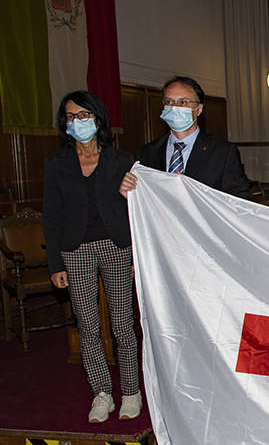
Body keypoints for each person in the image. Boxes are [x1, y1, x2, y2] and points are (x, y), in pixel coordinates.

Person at [43, 91, 139, 423]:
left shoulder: (122, 160)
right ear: (64, 124)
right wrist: (55, 264)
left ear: (98, 119)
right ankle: (102, 393)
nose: (78, 122)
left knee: (122, 323)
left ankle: (130, 391)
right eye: (71, 117)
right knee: (87, 324)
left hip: (116, 246)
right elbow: (51, 215)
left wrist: (135, 256)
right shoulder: (55, 165)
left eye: (84, 115)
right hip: (75, 250)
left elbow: (136, 211)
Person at [119, 76, 250, 199]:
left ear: (198, 109)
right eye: (169, 101)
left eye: (183, 102)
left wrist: (194, 194)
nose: (175, 107)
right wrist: (131, 195)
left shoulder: (223, 152)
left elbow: (239, 200)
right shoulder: (147, 153)